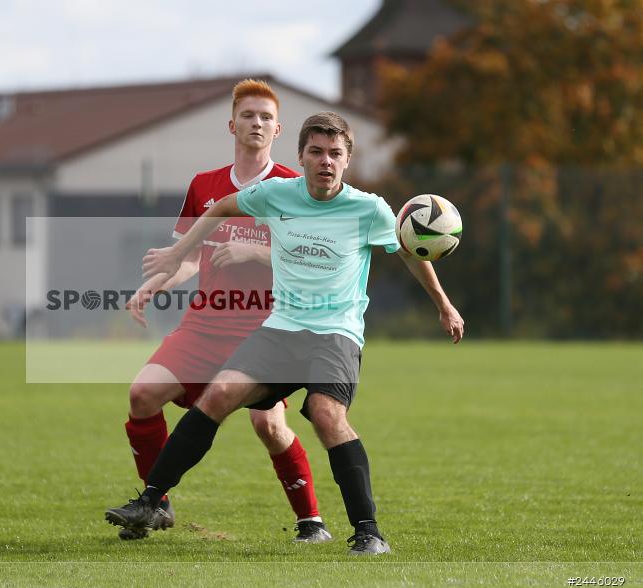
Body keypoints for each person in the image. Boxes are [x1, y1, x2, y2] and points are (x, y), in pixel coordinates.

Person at [106, 112, 465, 555]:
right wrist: (180, 251)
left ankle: (368, 532)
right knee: (217, 395)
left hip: (335, 334)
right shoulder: (278, 194)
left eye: (335, 154)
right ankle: (150, 501)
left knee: (325, 413)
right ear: (301, 157)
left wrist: (444, 305)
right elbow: (219, 207)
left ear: (347, 160)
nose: (325, 162)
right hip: (281, 329)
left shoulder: (368, 208)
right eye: (316, 152)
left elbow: (409, 251)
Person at [117, 80, 329, 542]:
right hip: (204, 322)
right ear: (232, 125)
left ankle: (310, 520)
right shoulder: (204, 186)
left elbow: (314, 258)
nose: (257, 123)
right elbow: (190, 257)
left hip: (263, 327)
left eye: (266, 117)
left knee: (269, 425)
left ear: (278, 129)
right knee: (142, 396)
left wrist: (254, 254)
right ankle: (156, 504)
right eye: (249, 115)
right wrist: (156, 284)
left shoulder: (294, 187)